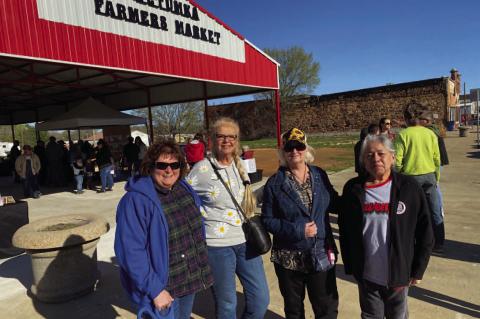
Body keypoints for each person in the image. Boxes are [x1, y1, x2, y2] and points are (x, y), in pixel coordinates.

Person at [115, 140, 213, 319]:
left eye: (175, 164)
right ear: (150, 166)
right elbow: (130, 251)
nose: (169, 170)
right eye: (162, 165)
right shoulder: (135, 201)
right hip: (163, 287)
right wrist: (155, 290)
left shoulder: (184, 188)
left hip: (187, 278)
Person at [339, 134, 434, 319]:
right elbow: (345, 230)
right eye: (369, 155)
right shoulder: (353, 189)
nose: (375, 159)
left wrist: (418, 268)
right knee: (370, 316)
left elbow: (425, 231)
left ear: (393, 157)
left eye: (380, 153)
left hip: (398, 273)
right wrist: (351, 265)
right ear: (363, 162)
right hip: (367, 274)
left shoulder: (409, 188)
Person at [187, 117, 269, 319]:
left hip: (246, 240)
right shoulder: (202, 169)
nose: (226, 140)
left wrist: (271, 187)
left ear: (237, 140)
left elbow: (247, 199)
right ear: (212, 139)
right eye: (221, 136)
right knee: (227, 304)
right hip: (218, 245)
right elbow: (183, 198)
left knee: (260, 299)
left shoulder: (241, 164)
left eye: (231, 136)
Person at [262, 127, 339, 319]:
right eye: (289, 147)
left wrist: (361, 194)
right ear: (283, 152)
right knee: (294, 310)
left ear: (306, 149)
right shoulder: (274, 183)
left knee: (326, 309)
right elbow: (268, 220)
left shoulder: (320, 175)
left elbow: (334, 202)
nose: (294, 151)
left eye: (299, 146)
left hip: (320, 253)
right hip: (288, 259)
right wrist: (297, 229)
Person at [394, 102, 443, 253]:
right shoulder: (430, 134)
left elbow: (397, 161)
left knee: (410, 211)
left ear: (406, 118)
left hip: (410, 178)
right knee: (434, 209)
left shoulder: (403, 135)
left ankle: (414, 241)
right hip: (429, 176)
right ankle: (438, 242)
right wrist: (436, 178)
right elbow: (437, 159)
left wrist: (399, 176)